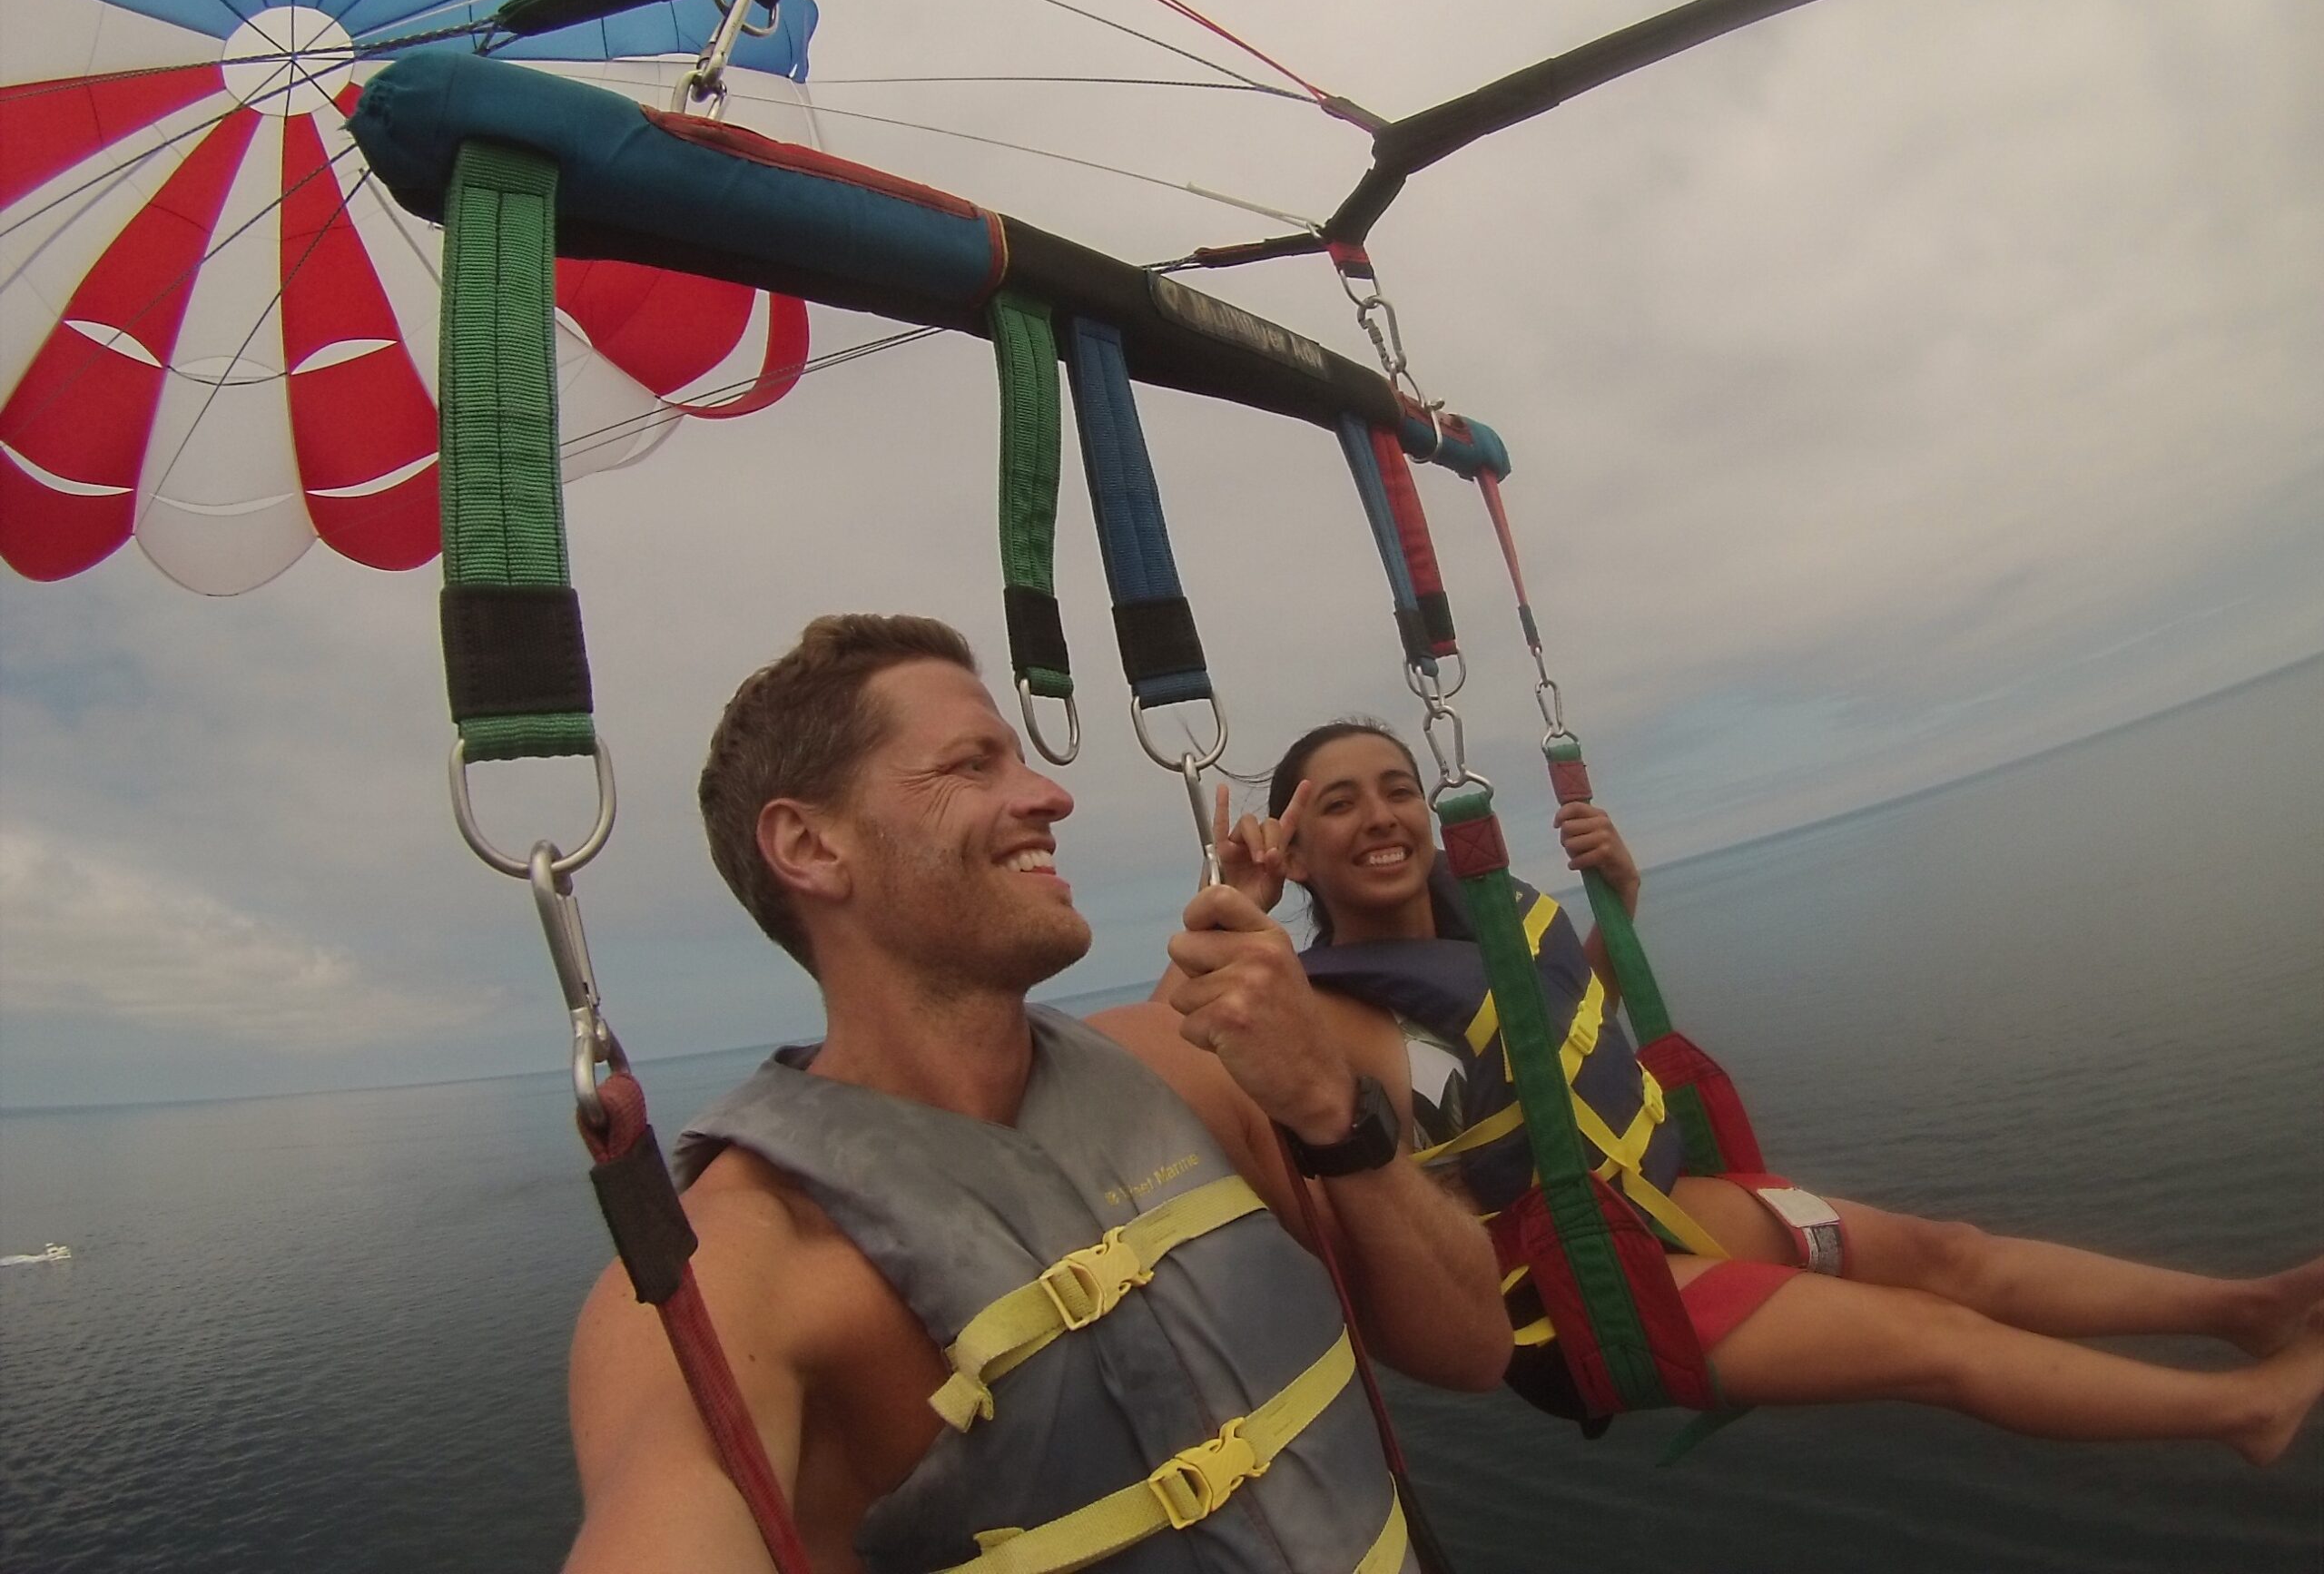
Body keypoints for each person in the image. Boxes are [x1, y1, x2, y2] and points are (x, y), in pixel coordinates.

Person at [563, 620, 1509, 1574]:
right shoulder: (735, 1273)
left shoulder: (1184, 1070)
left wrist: (1334, 1115)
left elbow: (1472, 1350)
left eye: (1021, 760)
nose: (1050, 795)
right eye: (974, 766)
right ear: (810, 844)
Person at [1196, 716, 2324, 1463]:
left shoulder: (1498, 925)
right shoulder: (1317, 1007)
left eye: (1397, 788)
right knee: (1930, 1337)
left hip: (1644, 1207)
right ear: (1294, 852)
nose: (1382, 815)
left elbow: (1543, 1059)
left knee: (1951, 1250)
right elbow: (1195, 1071)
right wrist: (1226, 901)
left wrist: (1617, 905)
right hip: (1571, 1294)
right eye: (1336, 804)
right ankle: (2246, 1412)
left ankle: (2241, 1309)